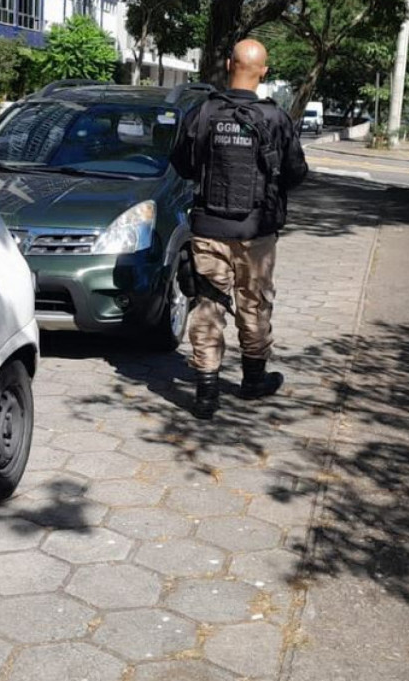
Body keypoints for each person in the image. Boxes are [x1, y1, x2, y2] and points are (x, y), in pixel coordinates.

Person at [169, 39, 308, 419]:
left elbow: (181, 164)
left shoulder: (202, 112)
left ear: (229, 64)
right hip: (257, 233)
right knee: (255, 303)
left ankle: (206, 392)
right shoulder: (276, 118)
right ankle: (253, 380)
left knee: (207, 303)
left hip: (209, 229)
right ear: (264, 72)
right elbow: (297, 173)